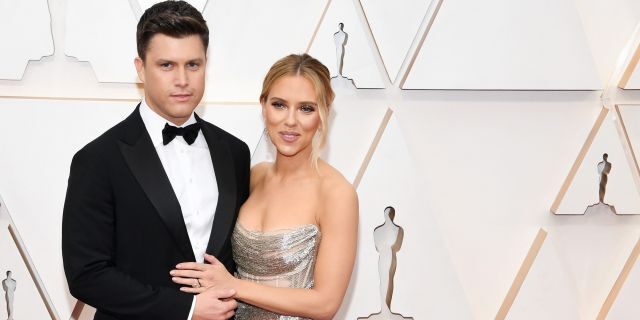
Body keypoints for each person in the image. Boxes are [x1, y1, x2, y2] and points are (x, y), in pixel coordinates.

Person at [61, 1, 250, 319]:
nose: (182, 79)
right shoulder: (97, 160)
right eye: (166, 65)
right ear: (140, 67)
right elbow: (86, 274)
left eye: (193, 64)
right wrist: (187, 309)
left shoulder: (234, 152)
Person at [171, 53, 359, 319]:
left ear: (323, 113)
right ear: (263, 106)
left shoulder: (336, 194)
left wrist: (235, 286)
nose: (290, 120)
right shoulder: (255, 176)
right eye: (279, 104)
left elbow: (325, 304)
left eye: (306, 108)